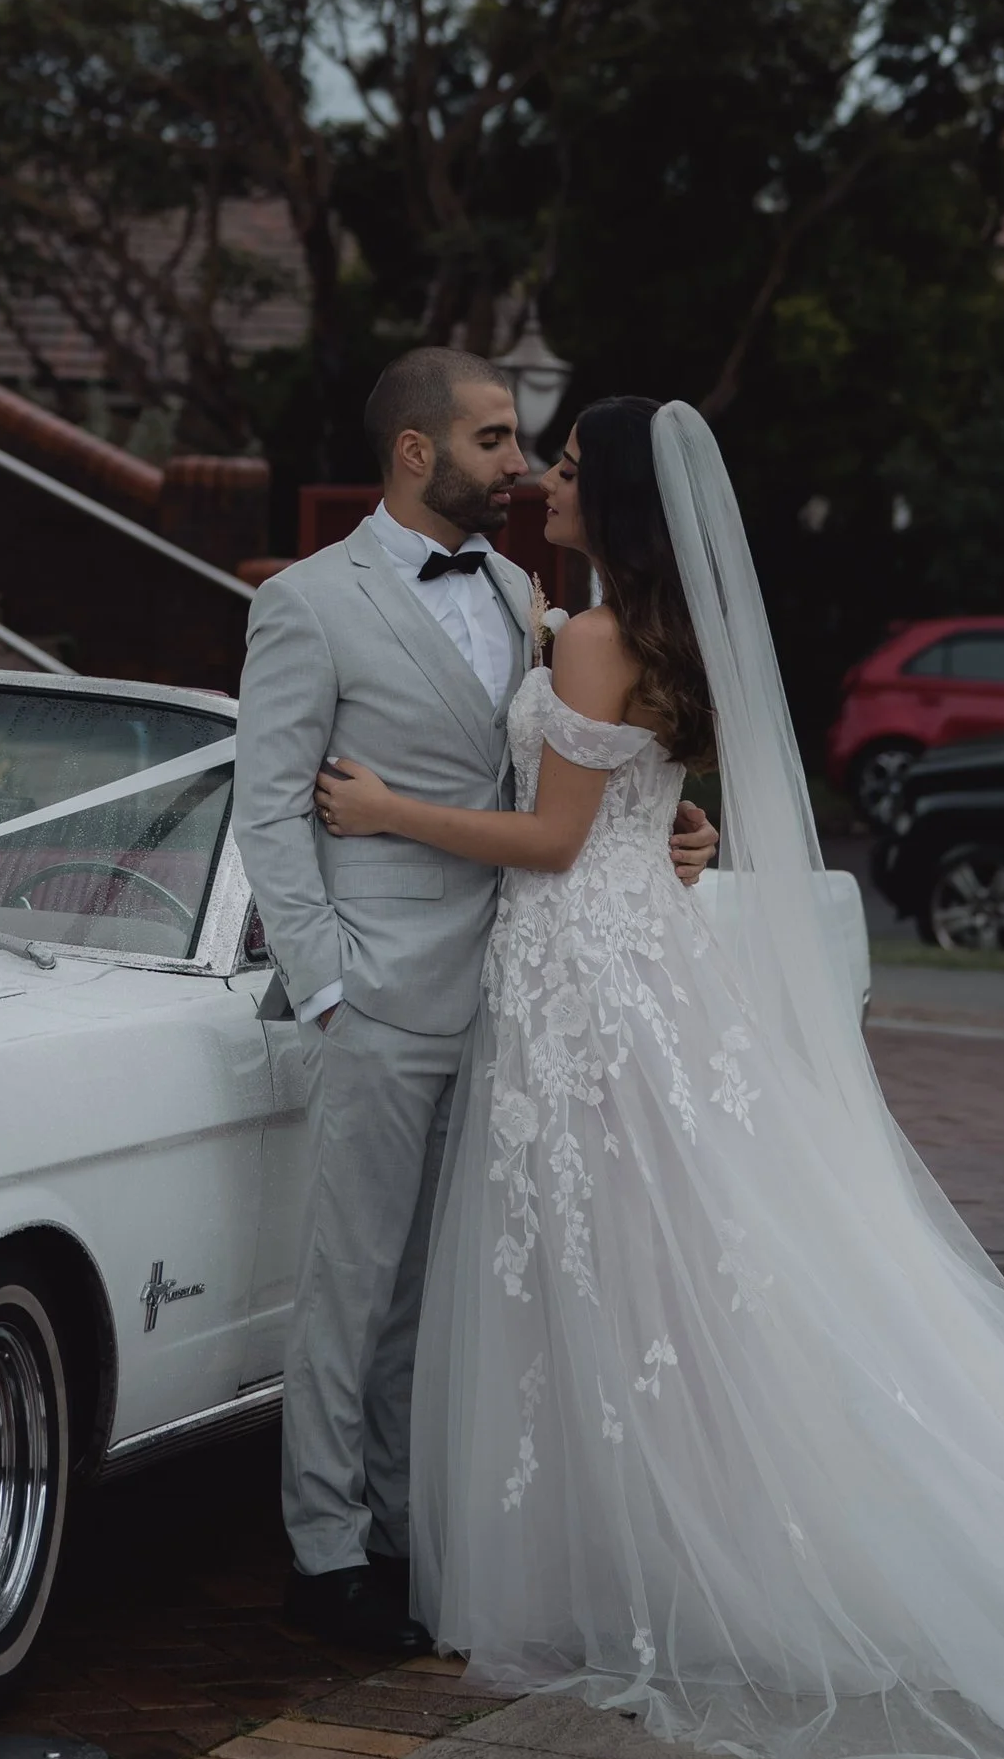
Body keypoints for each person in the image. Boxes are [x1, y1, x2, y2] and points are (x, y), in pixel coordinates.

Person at [317, 392, 1004, 1759]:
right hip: (622, 961)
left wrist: (385, 810)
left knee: (609, 1265)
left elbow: (552, 837)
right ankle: (655, 1543)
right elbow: (635, 797)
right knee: (645, 1267)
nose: (548, 483)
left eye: (573, 469)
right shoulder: (634, 631)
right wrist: (642, 786)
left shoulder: (592, 637)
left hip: (585, 979)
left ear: (624, 501)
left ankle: (644, 1559)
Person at [231, 348, 716, 1654]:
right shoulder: (307, 603)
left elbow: (569, 780)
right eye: (495, 439)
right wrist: (327, 982)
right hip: (379, 993)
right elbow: (268, 809)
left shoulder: (518, 592)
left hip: (519, 992)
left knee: (437, 1293)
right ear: (416, 451)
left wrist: (667, 829)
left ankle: (404, 1532)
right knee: (349, 1285)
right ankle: (325, 1554)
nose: (519, 463)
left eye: (525, 443)